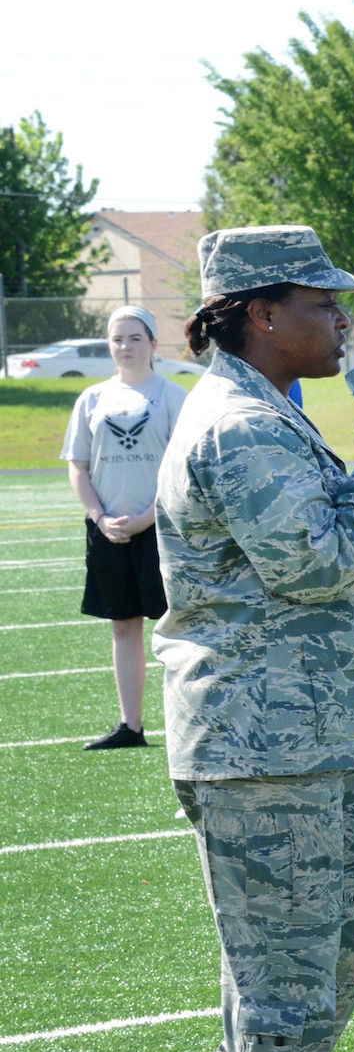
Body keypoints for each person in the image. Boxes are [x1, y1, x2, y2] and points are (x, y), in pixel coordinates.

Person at [152, 225, 354, 1052]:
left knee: (335, 947)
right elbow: (313, 565)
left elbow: (313, 548)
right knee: (289, 972)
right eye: (318, 303)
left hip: (304, 734)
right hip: (264, 743)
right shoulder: (241, 425)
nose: (339, 322)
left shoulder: (267, 411)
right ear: (260, 313)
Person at [62, 304, 187, 750]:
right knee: (123, 625)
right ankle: (130, 726)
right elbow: (78, 466)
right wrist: (101, 517)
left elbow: (183, 470)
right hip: (108, 527)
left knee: (179, 625)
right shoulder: (92, 399)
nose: (126, 346)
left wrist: (146, 518)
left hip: (161, 527)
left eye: (135, 337)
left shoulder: (173, 397)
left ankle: (186, 724)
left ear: (153, 343)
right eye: (118, 338)